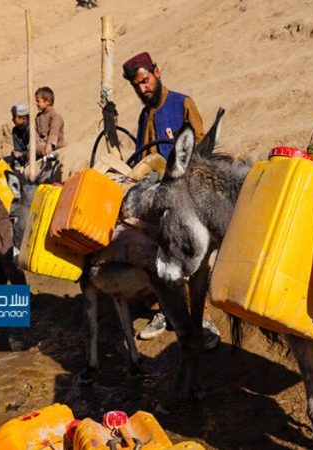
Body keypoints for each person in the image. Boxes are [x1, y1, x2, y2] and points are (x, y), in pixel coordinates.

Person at [122, 51, 220, 349]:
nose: (143, 89)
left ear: (157, 71)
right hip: (158, 196)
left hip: (185, 194)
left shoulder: (182, 103)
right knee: (154, 251)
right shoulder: (144, 116)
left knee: (188, 255)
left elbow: (202, 149)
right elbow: (143, 157)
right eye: (137, 86)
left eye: (145, 81)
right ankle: (164, 311)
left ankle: (202, 319)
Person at [4, 103, 30, 170]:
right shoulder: (15, 130)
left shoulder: (30, 129)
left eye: (14, 117)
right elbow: (17, 148)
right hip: (19, 158)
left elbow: (33, 149)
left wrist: (21, 154)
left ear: (23, 118)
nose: (12, 119)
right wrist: (16, 153)